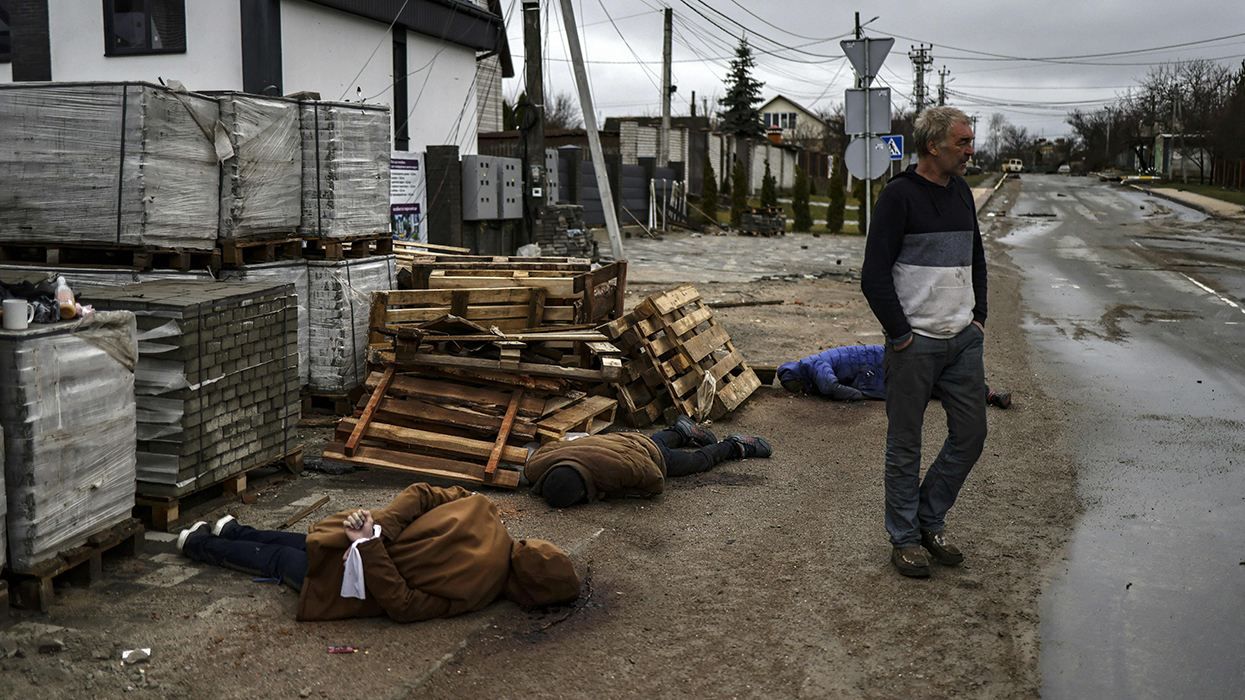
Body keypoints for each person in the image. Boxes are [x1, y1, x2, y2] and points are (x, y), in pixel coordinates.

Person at [860, 106, 988, 578]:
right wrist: (901, 335)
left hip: (962, 341)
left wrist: (979, 319)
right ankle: (905, 537)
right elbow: (873, 276)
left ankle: (929, 519)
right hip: (915, 343)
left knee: (971, 434)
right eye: (963, 142)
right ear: (933, 145)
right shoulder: (898, 197)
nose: (970, 150)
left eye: (971, 141)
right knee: (905, 443)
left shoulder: (961, 194)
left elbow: (976, 257)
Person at [176, 483, 581, 621]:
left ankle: (230, 529)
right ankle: (198, 544)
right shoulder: (479, 591)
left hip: (359, 540)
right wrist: (373, 541)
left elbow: (423, 493)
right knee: (283, 562)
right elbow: (403, 605)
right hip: (358, 576)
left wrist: (382, 526)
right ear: (526, 593)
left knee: (302, 542)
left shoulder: (484, 510)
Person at [525, 416, 773, 508]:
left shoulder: (615, 470)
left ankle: (733, 445)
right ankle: (680, 431)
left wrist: (619, 495)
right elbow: (552, 445)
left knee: (698, 461)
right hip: (623, 438)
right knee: (655, 440)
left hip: (648, 454)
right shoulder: (539, 465)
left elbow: (655, 481)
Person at [777, 344, 1012, 408]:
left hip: (878, 366)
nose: (799, 391)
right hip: (878, 366)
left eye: (795, 386)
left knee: (934, 379)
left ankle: (989, 394)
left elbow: (831, 386)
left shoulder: (814, 363)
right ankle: (987, 394)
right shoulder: (814, 363)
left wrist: (856, 395)